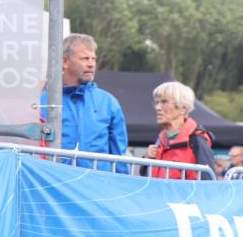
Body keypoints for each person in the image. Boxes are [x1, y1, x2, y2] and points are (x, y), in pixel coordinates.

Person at [50, 34, 129, 173]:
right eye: (85, 58)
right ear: (65, 62)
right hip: (52, 185)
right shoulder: (44, 99)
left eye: (93, 59)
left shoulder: (108, 102)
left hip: (96, 189)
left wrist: (124, 189)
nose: (91, 64)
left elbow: (120, 155)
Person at [144, 81, 216, 180]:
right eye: (157, 102)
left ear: (183, 108)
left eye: (164, 102)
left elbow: (208, 181)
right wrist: (146, 160)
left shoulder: (197, 140)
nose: (158, 107)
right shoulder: (160, 140)